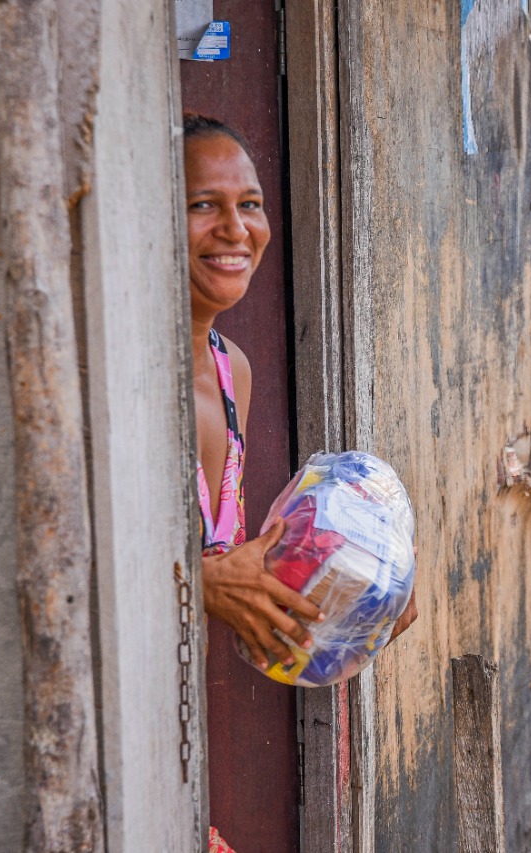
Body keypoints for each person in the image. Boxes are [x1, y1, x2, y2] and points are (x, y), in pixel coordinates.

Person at [183, 114, 417, 852]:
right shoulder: (115, 372)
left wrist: (362, 585)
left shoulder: (232, 373)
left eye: (248, 203)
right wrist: (197, 582)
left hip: (174, 740)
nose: (235, 228)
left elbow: (230, 566)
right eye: (201, 204)